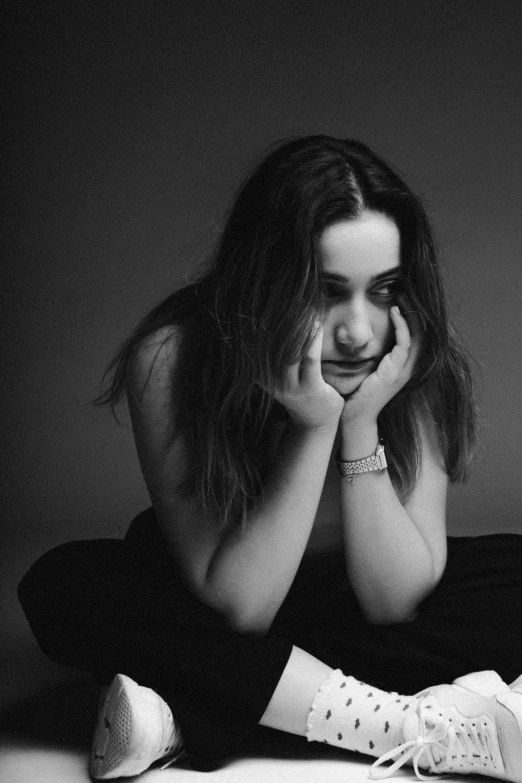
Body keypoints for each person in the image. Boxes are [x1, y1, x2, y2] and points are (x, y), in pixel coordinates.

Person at [18, 136, 522, 781]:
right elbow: (243, 607)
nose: (359, 332)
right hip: (225, 604)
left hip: (345, 605)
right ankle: (412, 728)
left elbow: (394, 603)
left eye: (383, 289)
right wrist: (313, 427)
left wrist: (362, 421)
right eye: (326, 290)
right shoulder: (173, 357)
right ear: (267, 281)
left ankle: (185, 710)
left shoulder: (409, 357)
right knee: (68, 585)